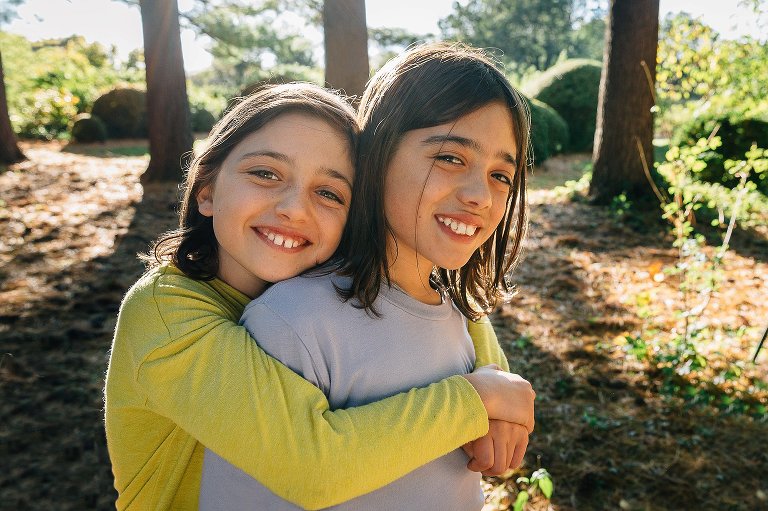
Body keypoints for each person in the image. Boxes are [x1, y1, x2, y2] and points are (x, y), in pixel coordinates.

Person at [104, 82, 535, 510]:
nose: (295, 209)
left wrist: (499, 386)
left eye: (329, 193)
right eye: (266, 173)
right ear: (207, 191)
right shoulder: (165, 310)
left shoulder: (308, 276)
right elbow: (314, 465)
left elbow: (450, 311)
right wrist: (477, 400)